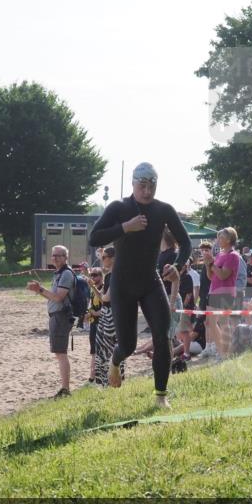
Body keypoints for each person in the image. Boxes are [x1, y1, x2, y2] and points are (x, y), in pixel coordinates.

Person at [88, 163, 191, 406]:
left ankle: (160, 397)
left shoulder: (164, 210)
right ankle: (116, 360)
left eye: (151, 186)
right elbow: (94, 237)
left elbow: (186, 243)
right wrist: (125, 227)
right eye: (142, 186)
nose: (147, 191)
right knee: (128, 344)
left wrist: (177, 264)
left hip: (150, 281)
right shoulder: (118, 207)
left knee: (163, 336)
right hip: (123, 285)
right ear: (133, 184)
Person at [27, 245, 78, 398]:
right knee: (59, 353)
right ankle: (65, 388)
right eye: (53, 255)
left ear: (65, 257)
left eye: (59, 255)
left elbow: (58, 297)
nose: (55, 258)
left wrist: (40, 289)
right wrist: (38, 290)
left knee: (61, 353)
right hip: (57, 316)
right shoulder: (59, 274)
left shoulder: (66, 274)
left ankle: (65, 389)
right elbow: (53, 296)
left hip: (62, 316)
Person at [206, 227, 240, 359]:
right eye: (218, 237)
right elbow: (211, 277)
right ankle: (222, 352)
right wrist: (208, 265)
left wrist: (212, 264)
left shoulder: (233, 255)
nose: (218, 240)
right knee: (211, 322)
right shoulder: (220, 254)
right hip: (214, 290)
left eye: (221, 237)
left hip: (226, 291)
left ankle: (226, 353)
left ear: (229, 239)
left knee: (224, 323)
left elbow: (222, 275)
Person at [94, 247, 120, 387]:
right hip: (107, 315)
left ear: (113, 258)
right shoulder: (110, 275)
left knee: (109, 351)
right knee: (103, 351)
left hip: (112, 317)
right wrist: (92, 287)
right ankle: (106, 382)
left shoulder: (116, 274)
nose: (102, 259)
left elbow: (106, 298)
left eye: (104, 257)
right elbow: (103, 297)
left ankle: (109, 382)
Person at [86, 267, 104, 383]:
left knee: (100, 351)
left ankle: (94, 377)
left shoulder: (103, 289)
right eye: (91, 275)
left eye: (95, 275)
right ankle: (92, 376)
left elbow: (107, 307)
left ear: (101, 276)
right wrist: (88, 313)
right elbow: (91, 306)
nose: (93, 277)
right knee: (93, 351)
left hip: (102, 324)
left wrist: (94, 313)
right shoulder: (93, 290)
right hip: (93, 324)